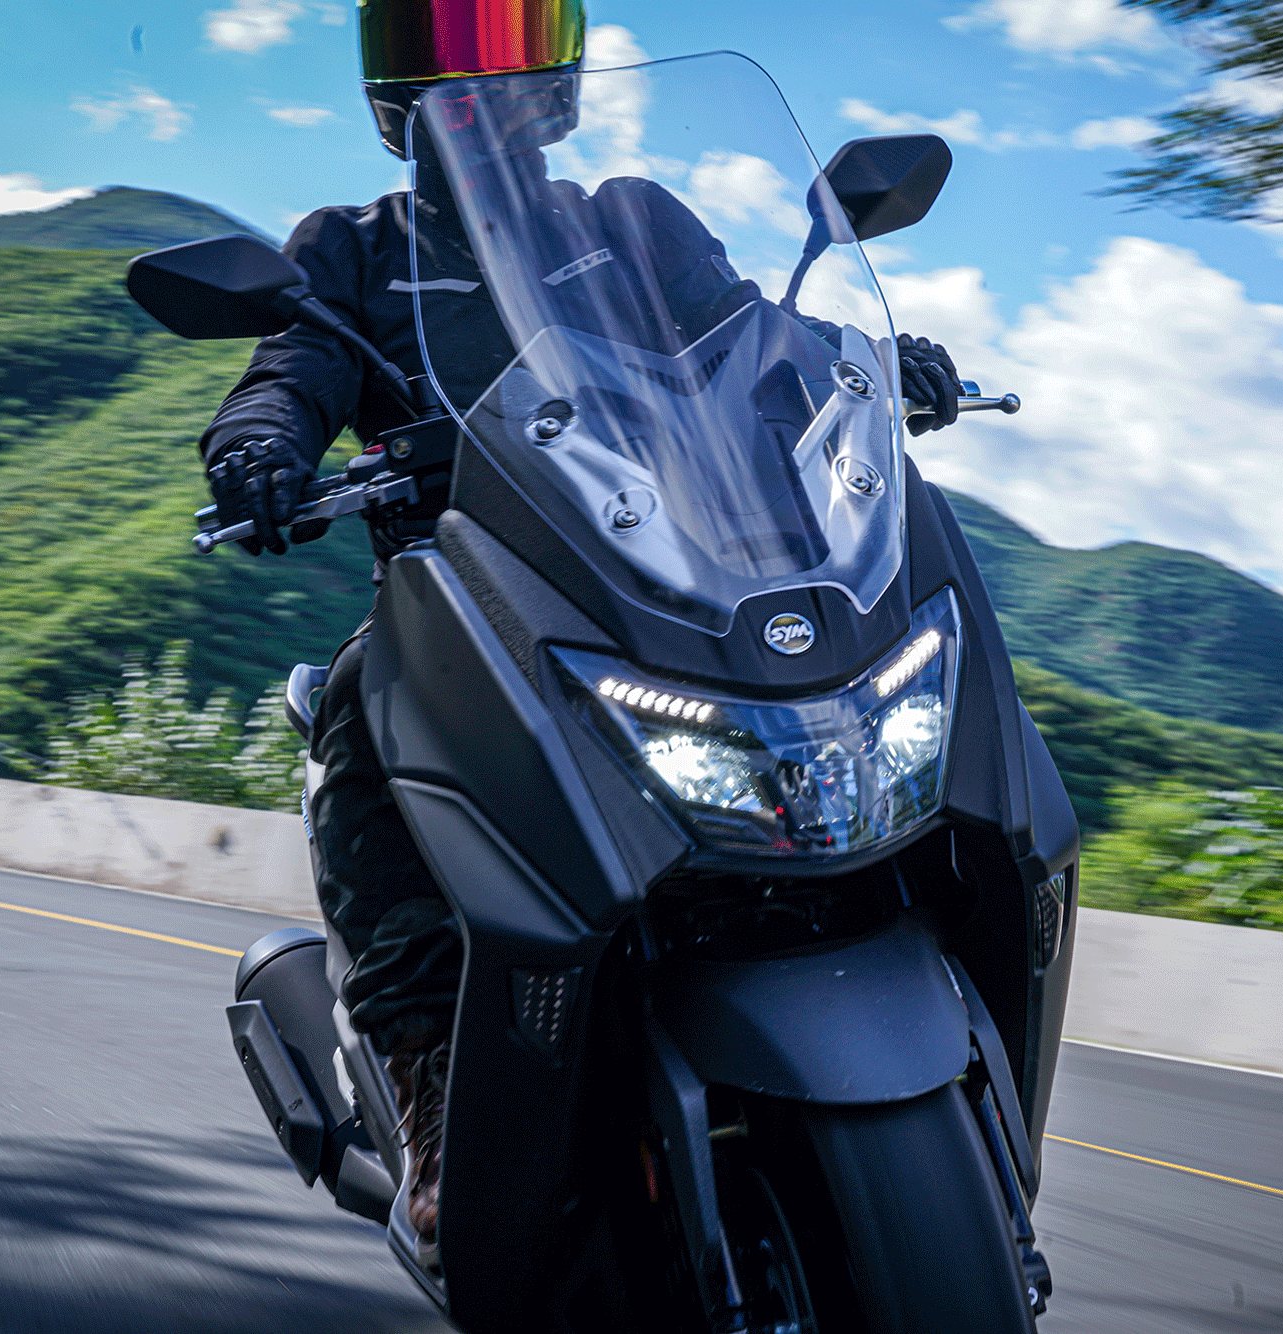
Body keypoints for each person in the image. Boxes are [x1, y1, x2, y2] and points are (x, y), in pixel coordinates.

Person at [195, 0, 969, 1260]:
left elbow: (758, 340)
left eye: (506, 25)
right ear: (391, 76)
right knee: (356, 707)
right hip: (473, 603)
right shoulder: (351, 251)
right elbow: (290, 372)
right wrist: (260, 444)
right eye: (444, 30)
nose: (480, 66)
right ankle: (429, 1070)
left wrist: (876, 365)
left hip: (675, 587)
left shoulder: (632, 221)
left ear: (557, 58)